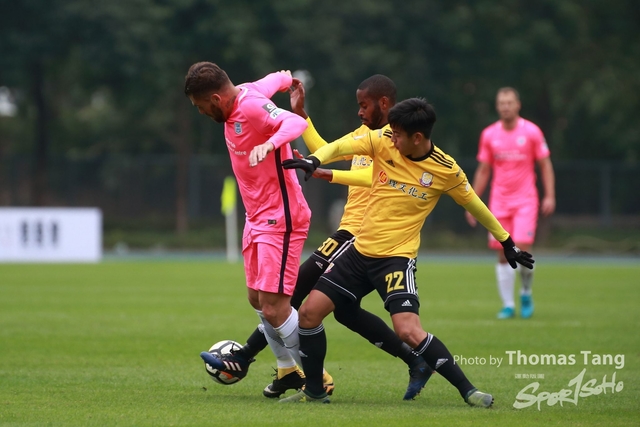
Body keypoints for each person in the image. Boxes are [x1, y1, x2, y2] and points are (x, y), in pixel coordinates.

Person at [280, 97, 534, 405]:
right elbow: (341, 146)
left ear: (417, 137)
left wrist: (506, 241)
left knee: (408, 331)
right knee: (309, 313)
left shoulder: (446, 170)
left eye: (398, 135)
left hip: (396, 260)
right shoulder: (384, 138)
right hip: (358, 254)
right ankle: (315, 392)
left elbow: (475, 205)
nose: (392, 138)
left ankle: (469, 391)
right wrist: (315, 160)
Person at [215, 75, 433, 401]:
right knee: (345, 311)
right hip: (347, 231)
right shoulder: (362, 135)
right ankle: (416, 361)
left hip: (363, 233)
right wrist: (302, 115)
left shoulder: (397, 142)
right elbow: (324, 150)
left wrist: (328, 175)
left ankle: (249, 355)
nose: (359, 111)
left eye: (364, 105)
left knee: (294, 290)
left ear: (384, 103)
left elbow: (374, 177)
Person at [183, 62, 311, 381]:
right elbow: (275, 79)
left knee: (274, 307)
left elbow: (294, 122)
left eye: (200, 106)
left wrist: (269, 143)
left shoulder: (251, 106)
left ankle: (317, 377)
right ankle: (287, 370)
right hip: (255, 217)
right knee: (256, 299)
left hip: (280, 216)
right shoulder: (248, 91)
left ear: (216, 98)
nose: (201, 112)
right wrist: (287, 81)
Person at [465, 87, 555, 319]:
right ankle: (508, 305)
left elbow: (545, 164)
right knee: (502, 253)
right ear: (497, 107)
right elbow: (484, 170)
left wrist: (550, 195)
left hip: (526, 200)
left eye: (509, 102)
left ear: (518, 105)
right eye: (501, 103)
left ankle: (525, 292)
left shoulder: (532, 132)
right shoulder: (489, 135)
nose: (505, 107)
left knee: (522, 248)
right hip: (499, 202)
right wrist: (472, 202)